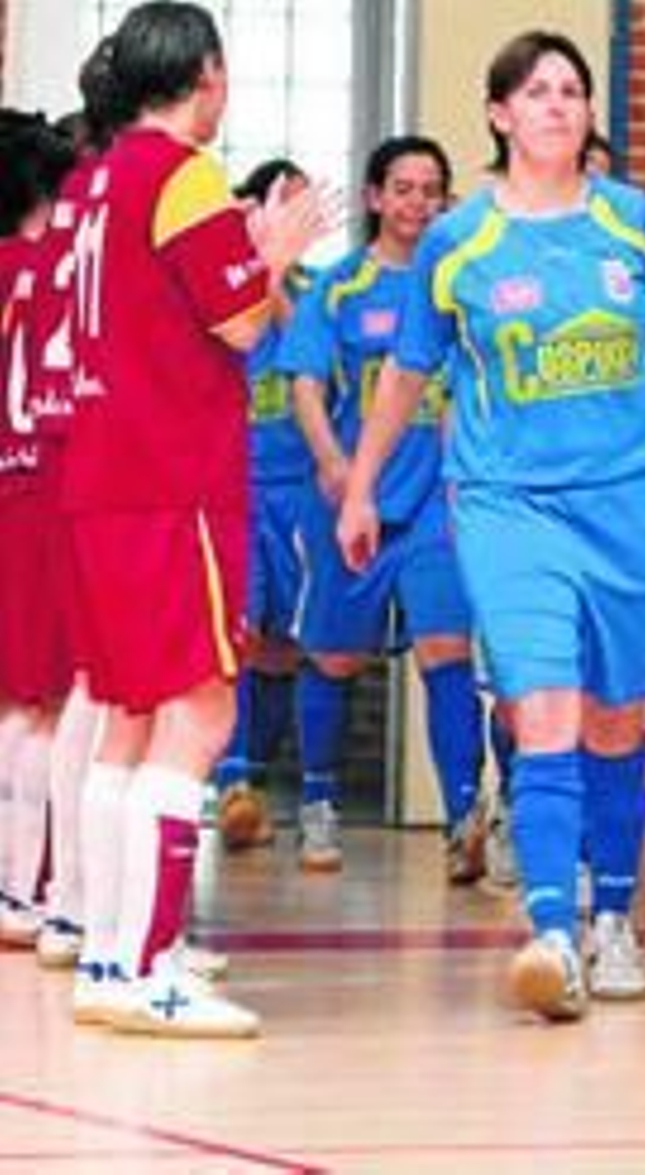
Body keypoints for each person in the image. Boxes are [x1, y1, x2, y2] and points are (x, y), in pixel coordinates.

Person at [339, 30, 645, 1023]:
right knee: (543, 705)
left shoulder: (634, 222)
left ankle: (612, 915)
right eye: (538, 91)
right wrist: (360, 485)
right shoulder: (458, 242)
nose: (559, 105)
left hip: (629, 498)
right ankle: (553, 931)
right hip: (506, 503)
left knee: (615, 718)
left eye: (573, 90)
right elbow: (407, 374)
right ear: (499, 114)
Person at [61, 0, 329, 1037]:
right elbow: (240, 318)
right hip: (169, 478)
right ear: (208, 73)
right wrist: (274, 248)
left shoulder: (92, 183)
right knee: (201, 711)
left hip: (99, 478)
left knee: (129, 719)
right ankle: (140, 966)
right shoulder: (182, 175)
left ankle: (111, 952)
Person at [282, 135, 486, 881]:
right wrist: (336, 466)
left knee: (447, 648)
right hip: (352, 501)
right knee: (334, 656)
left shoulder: (457, 288)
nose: (417, 202)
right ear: (375, 198)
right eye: (403, 188)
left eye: (431, 189)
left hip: (436, 499)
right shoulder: (337, 287)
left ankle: (466, 813)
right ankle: (318, 801)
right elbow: (304, 380)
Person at [212, 157, 315, 853]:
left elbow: (313, 348)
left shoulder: (314, 289)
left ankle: (260, 779)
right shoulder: (223, 281)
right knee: (237, 637)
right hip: (235, 482)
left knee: (283, 645)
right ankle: (232, 782)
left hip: (299, 485)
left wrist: (279, 273)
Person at [0, 111, 79, 953]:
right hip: (44, 494)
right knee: (47, 706)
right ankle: (30, 887)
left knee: (12, 702)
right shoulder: (59, 268)